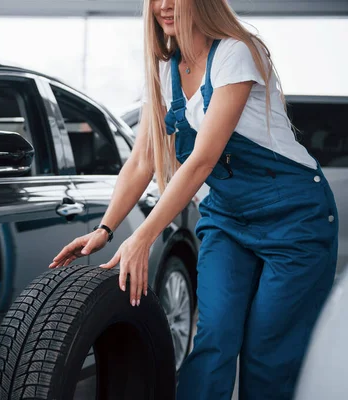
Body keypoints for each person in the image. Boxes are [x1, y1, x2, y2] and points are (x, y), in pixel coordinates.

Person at [48, 0, 339, 399]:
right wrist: (106, 228)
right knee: (214, 338)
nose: (164, 6)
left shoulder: (236, 52)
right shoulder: (167, 71)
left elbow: (203, 159)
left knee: (267, 353)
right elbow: (143, 160)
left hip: (294, 219)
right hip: (229, 219)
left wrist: (144, 236)